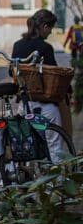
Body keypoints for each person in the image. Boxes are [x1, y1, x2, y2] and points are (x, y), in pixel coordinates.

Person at [12, 8, 67, 161]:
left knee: (26, 145)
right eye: (50, 29)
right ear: (44, 27)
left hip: (25, 104)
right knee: (54, 144)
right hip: (45, 104)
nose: (50, 33)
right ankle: (55, 182)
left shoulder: (18, 45)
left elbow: (13, 72)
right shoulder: (45, 48)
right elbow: (53, 75)